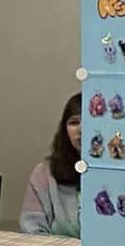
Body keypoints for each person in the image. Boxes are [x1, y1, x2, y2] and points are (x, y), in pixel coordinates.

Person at [19, 92, 82, 236]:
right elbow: (31, 227)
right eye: (74, 122)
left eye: (89, 121)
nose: (81, 129)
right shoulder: (44, 172)